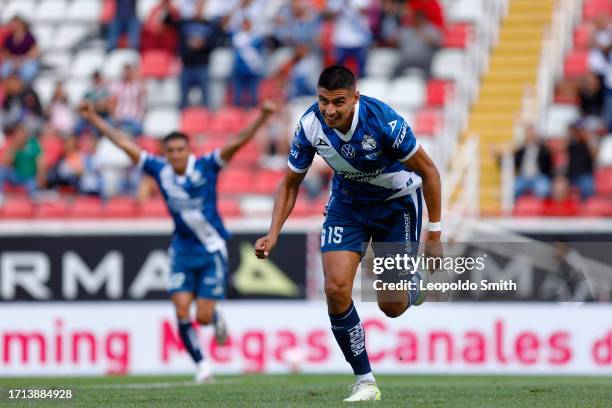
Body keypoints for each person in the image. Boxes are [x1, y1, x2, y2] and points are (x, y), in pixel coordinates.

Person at [254, 66, 442, 401]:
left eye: (338, 102)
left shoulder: (384, 122)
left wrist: (435, 234)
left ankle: (414, 286)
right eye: (323, 101)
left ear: (355, 98)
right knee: (336, 288)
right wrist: (274, 233)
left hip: (395, 205)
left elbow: (428, 170)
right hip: (348, 205)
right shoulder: (310, 124)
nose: (329, 110)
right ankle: (365, 381)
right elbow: (290, 184)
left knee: (392, 306)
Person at [78, 98, 278, 382]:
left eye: (180, 149)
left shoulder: (207, 166)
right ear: (165, 152)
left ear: (188, 150)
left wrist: (262, 116)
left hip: (211, 250)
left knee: (203, 318)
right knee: (182, 308)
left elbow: (238, 141)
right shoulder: (159, 170)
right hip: (181, 251)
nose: (175, 154)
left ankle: (216, 319)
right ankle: (202, 366)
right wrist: (94, 119)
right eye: (170, 150)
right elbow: (124, 142)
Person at [1, 16, 40, 83]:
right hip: (12, 61)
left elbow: (34, 53)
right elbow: (5, 53)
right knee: (4, 71)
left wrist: (21, 60)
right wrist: (14, 60)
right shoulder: (9, 38)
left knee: (27, 72)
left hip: (26, 61)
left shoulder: (29, 37)